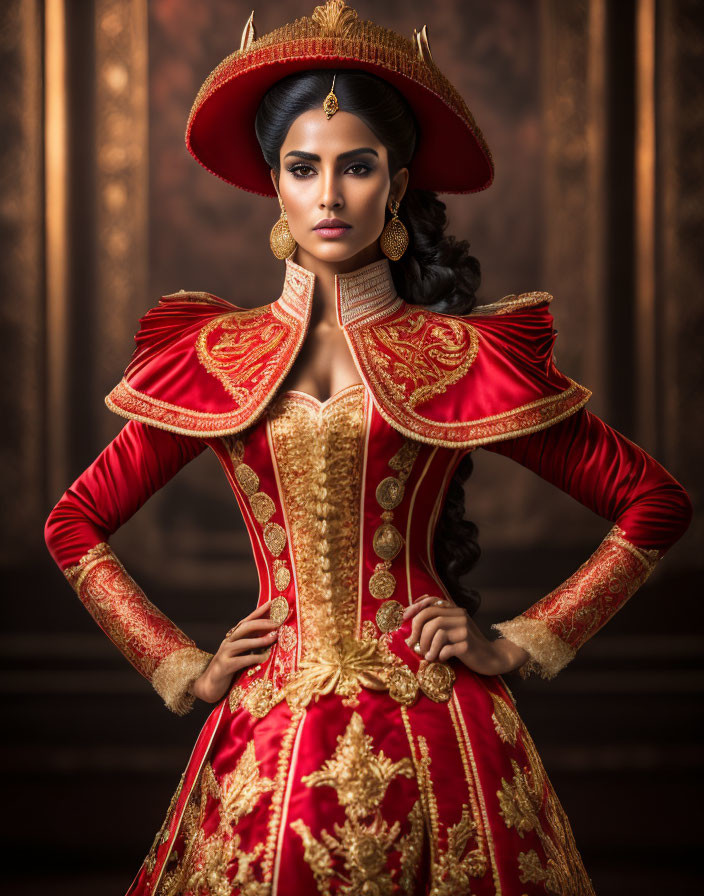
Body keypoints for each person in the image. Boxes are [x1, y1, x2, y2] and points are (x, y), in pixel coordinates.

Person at [44, 3, 692, 894]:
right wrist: (182, 665)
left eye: (356, 168)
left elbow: (654, 502)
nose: (328, 197)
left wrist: (524, 641)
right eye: (303, 169)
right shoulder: (217, 356)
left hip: (442, 732)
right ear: (274, 183)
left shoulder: (456, 353)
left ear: (397, 181)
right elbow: (74, 522)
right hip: (266, 742)